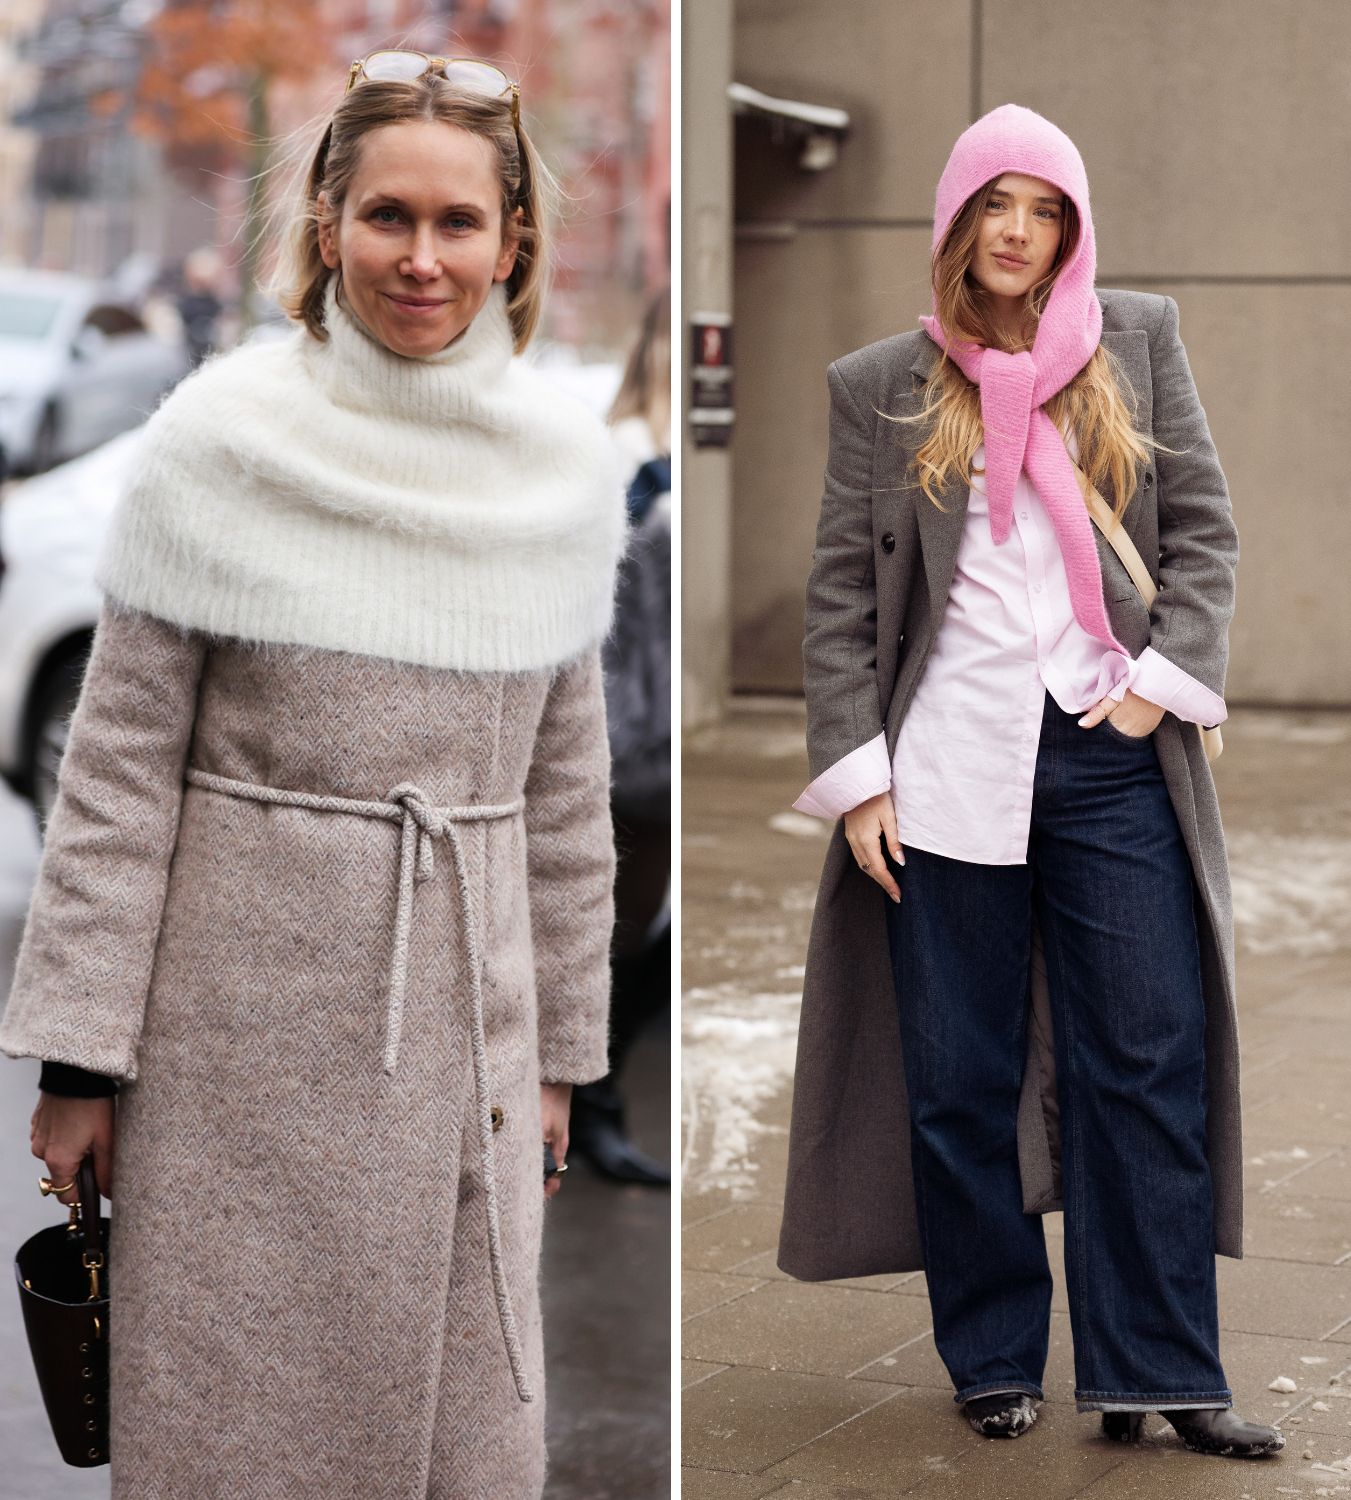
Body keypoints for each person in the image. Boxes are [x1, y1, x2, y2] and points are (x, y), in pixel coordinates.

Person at [1, 50, 626, 1498]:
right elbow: (116, 777)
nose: (421, 259)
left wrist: (560, 1063)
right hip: (233, 1059)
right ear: (327, 221)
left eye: (458, 222)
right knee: (238, 1430)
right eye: (386, 217)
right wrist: (82, 1064)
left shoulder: (557, 475)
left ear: (511, 237)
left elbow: (563, 804)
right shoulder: (218, 447)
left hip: (464, 1042)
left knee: (455, 1441)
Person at [778, 104, 1282, 1460]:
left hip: (1105, 754)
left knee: (1145, 1059)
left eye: (1041, 206)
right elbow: (838, 601)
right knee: (956, 1078)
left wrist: (1148, 691)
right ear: (954, 224)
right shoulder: (878, 382)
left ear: (1069, 227)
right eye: (991, 205)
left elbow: (1204, 538)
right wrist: (856, 779)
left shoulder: (1136, 341)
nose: (1015, 230)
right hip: (942, 767)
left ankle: (1158, 1367)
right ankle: (992, 1351)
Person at [571, 286, 672, 1184]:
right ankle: (589, 1113)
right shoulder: (621, 456)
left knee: (647, 932)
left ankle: (596, 1105)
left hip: (669, 740)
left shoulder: (684, 457)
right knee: (615, 927)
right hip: (624, 738)